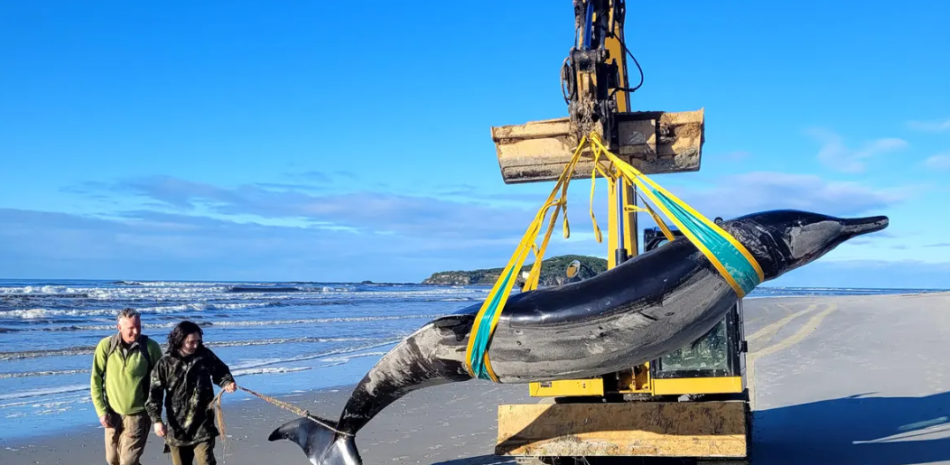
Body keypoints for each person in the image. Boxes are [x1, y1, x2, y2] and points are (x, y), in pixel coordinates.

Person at [146, 321, 237, 465]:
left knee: (206, 461)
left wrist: (227, 383)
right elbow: (154, 395)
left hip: (203, 423)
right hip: (177, 427)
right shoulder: (165, 363)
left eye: (198, 341)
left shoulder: (204, 356)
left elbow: (221, 372)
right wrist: (156, 420)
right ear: (180, 340)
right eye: (191, 342)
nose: (196, 345)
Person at [90, 307, 164, 465]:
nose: (135, 331)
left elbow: (161, 383)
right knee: (112, 460)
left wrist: (157, 417)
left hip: (138, 414)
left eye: (138, 326)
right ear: (119, 327)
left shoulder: (150, 347)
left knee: (128, 462)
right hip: (112, 414)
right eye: (131, 328)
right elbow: (95, 379)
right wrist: (101, 411)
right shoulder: (106, 346)